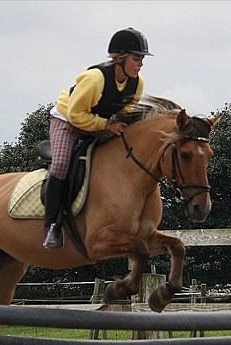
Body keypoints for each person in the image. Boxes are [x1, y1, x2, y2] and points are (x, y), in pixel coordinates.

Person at [43, 27, 152, 248]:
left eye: (141, 59)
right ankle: (52, 224)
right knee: (62, 163)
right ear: (120, 58)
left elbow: (126, 112)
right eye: (136, 58)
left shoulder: (137, 82)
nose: (140, 64)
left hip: (98, 123)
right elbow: (75, 115)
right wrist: (106, 125)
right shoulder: (95, 79)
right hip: (67, 120)